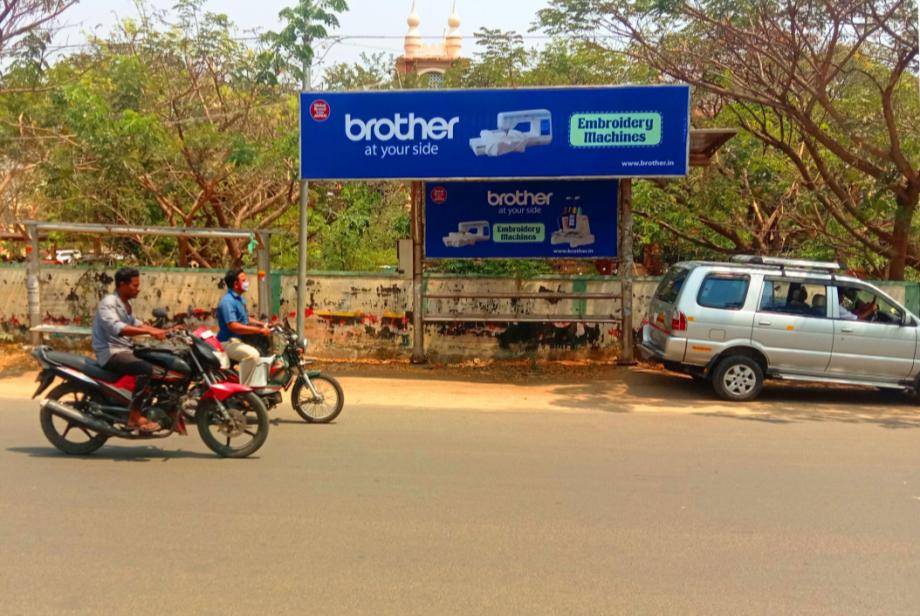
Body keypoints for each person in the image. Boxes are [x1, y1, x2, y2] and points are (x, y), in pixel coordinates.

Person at [92, 267, 169, 432]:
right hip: (111, 352)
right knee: (145, 369)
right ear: (122, 285)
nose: (138, 288)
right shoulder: (109, 303)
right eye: (135, 285)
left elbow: (135, 322)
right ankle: (134, 417)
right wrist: (149, 331)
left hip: (124, 349)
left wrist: (164, 331)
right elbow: (118, 328)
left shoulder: (125, 304)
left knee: (158, 361)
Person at [216, 269, 271, 386]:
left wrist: (262, 324)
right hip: (227, 342)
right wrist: (259, 330)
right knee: (252, 355)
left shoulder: (240, 299)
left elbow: (245, 319)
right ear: (236, 284)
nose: (247, 282)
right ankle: (245, 391)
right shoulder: (227, 301)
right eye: (244, 280)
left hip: (238, 340)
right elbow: (234, 326)